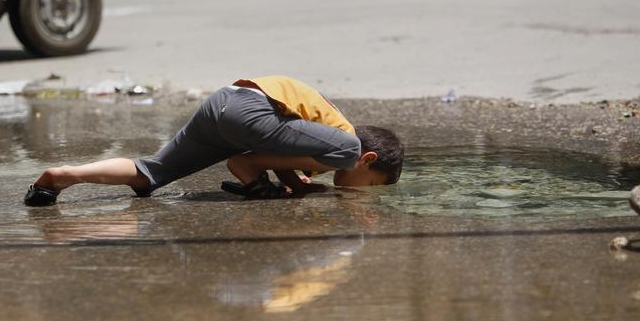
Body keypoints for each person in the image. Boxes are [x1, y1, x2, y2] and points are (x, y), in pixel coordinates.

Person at [24, 75, 404, 206]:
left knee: (151, 173)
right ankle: (249, 172)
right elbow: (270, 149)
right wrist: (272, 176)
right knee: (341, 152)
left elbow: (279, 146)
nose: (360, 191)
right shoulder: (345, 144)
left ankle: (62, 176)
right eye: (369, 186)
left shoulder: (321, 143)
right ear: (367, 160)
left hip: (222, 103)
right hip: (250, 110)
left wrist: (294, 182)